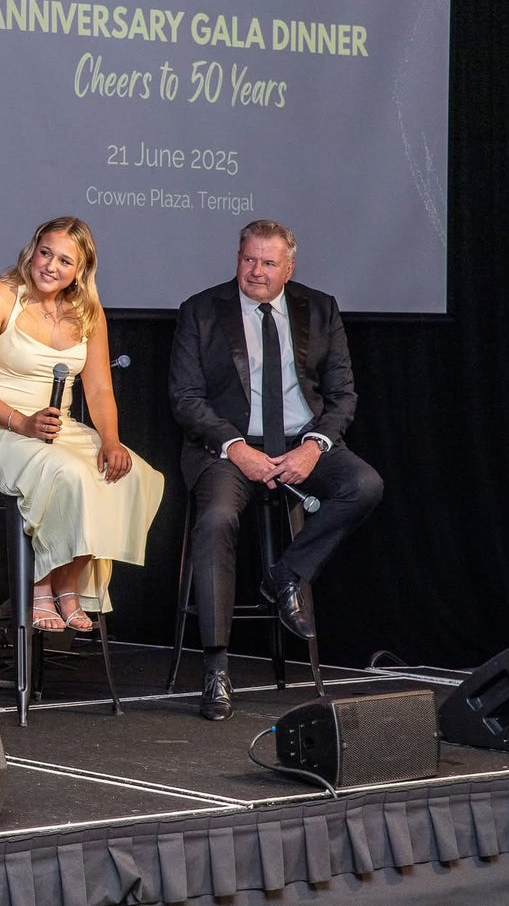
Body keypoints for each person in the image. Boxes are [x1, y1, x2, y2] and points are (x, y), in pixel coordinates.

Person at [169, 219, 383, 721]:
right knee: (217, 519)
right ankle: (216, 668)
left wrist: (314, 446)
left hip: (300, 442)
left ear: (289, 268)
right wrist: (235, 447)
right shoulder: (201, 310)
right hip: (227, 447)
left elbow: (343, 395)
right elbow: (185, 398)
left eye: (268, 263)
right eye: (249, 259)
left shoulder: (320, 309)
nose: (256, 272)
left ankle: (286, 575)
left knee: (363, 484)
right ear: (237, 258)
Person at [0, 217, 164, 632]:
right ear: (31, 251)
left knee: (130, 474)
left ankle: (69, 584)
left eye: (64, 261)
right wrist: (21, 423)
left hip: (55, 429)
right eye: (45, 253)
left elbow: (99, 389)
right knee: (68, 474)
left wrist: (112, 441)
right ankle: (40, 584)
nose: (50, 266)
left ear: (81, 270)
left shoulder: (88, 312)